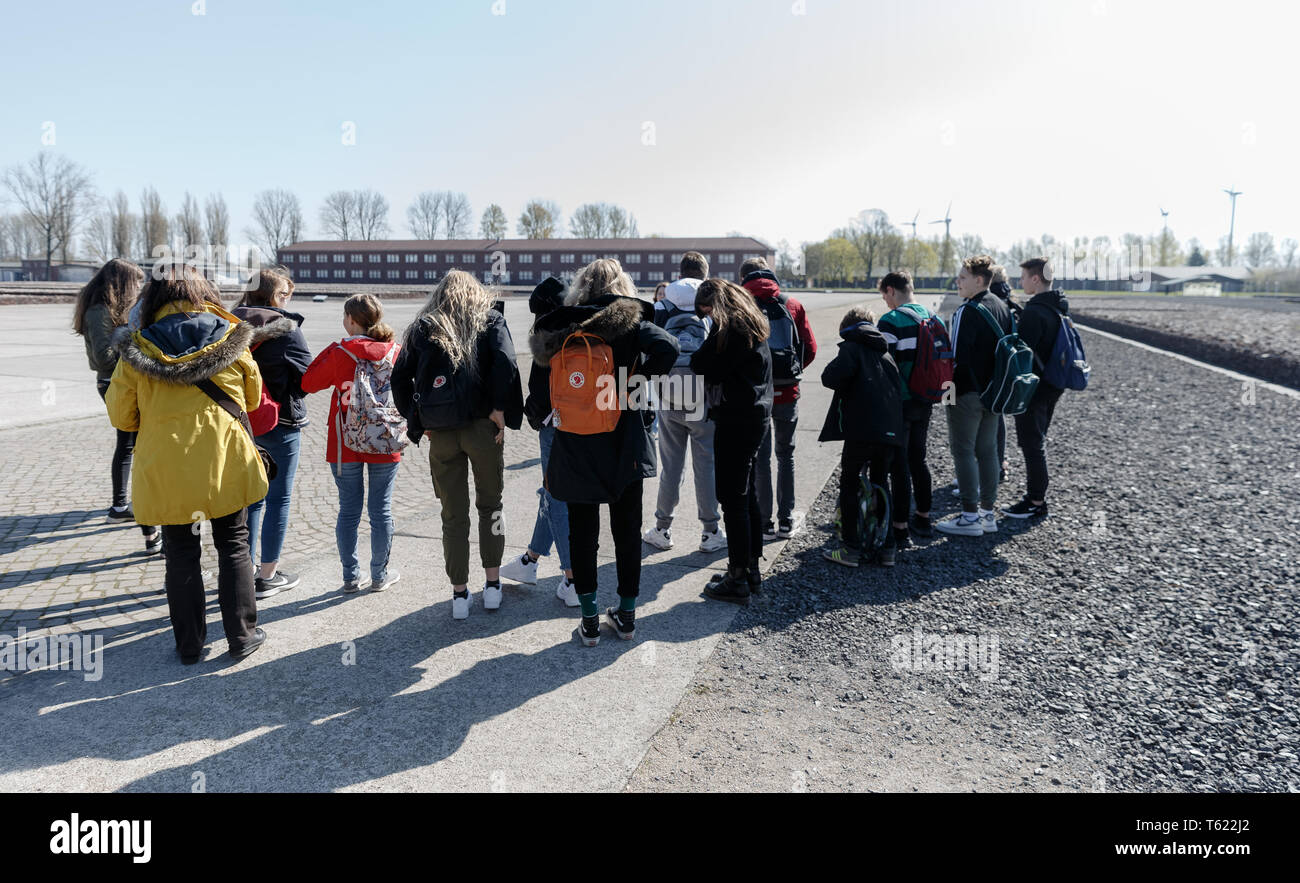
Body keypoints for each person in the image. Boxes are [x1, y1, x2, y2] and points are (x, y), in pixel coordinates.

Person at [105, 262, 268, 663]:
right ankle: (242, 635)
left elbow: (122, 417)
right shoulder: (233, 337)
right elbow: (252, 398)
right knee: (233, 545)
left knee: (179, 552)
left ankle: (189, 645)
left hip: (166, 467)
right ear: (205, 293)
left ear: (154, 300)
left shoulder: (136, 348)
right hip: (224, 461)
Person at [530, 259, 678, 645]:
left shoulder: (563, 324)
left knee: (583, 531)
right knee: (627, 530)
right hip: (624, 441)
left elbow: (541, 391)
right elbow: (669, 346)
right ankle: (626, 617)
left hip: (576, 442)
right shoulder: (628, 321)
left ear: (581, 286)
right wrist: (634, 387)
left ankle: (590, 619)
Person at [392, 271, 524, 619]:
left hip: (443, 433)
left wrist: (419, 420)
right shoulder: (490, 318)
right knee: (491, 506)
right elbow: (507, 362)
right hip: (483, 428)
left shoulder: (423, 327)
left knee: (452, 515)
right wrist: (498, 407)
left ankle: (459, 595)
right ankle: (492, 586)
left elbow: (399, 377)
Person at [302, 294, 406, 595]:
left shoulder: (341, 351)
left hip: (344, 441)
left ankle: (350, 576)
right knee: (381, 512)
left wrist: (332, 350)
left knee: (348, 511)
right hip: (385, 439)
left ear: (351, 320)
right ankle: (379, 575)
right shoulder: (395, 352)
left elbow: (308, 383)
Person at [690, 279, 773, 604]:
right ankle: (750, 568)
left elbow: (702, 364)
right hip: (756, 416)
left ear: (718, 305)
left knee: (732, 497)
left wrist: (712, 336)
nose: (708, 319)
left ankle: (737, 577)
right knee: (746, 494)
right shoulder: (753, 323)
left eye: (708, 312)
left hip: (737, 420)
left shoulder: (732, 332)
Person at [232, 266, 312, 599]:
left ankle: (242, 571)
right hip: (280, 422)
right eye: (284, 294)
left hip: (239, 423)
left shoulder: (228, 324)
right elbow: (307, 379)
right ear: (273, 296)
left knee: (249, 499)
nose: (287, 301)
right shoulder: (287, 329)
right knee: (277, 498)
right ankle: (268, 576)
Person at [71, 258, 160, 554]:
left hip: (120, 381)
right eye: (134, 283)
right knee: (130, 443)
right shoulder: (99, 311)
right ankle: (124, 505)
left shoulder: (110, 309)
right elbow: (103, 357)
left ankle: (120, 504)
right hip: (113, 382)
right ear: (119, 284)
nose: (137, 288)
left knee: (127, 442)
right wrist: (136, 350)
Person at [501, 277, 578, 605]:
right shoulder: (582, 328)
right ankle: (530, 560)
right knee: (552, 492)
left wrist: (532, 415)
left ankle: (573, 578)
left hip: (554, 425)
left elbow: (540, 388)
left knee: (556, 496)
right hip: (583, 424)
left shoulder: (547, 336)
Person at [642, 256, 725, 554]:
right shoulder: (714, 299)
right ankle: (710, 531)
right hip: (702, 394)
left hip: (668, 391)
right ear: (705, 274)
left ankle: (662, 528)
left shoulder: (665, 302)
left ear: (679, 273)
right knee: (706, 464)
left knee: (671, 465)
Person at [819, 305, 904, 566]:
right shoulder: (886, 354)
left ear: (848, 327)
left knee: (850, 482)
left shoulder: (851, 348)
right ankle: (887, 548)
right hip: (890, 431)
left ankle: (851, 548)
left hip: (861, 430)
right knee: (882, 482)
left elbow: (829, 378)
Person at [740, 257, 817, 540]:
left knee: (761, 458)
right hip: (787, 392)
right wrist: (793, 372)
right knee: (786, 455)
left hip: (756, 393)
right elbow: (810, 348)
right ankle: (786, 521)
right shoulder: (792, 304)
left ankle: (763, 523)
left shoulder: (742, 305)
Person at [936, 255, 1012, 537]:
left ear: (979, 280)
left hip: (966, 391)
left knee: (963, 450)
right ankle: (987, 515)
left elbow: (955, 359)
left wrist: (945, 393)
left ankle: (969, 516)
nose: (958, 282)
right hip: (995, 392)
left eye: (963, 278)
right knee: (988, 451)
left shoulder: (968, 310)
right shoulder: (1002, 306)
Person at [876, 270, 940, 544]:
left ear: (891, 290)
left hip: (899, 401)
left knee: (899, 465)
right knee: (919, 459)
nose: (885, 302)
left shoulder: (890, 321)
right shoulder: (932, 318)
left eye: (884, 296)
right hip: (925, 398)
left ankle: (900, 526)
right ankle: (924, 517)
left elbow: (882, 365)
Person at [1002, 257, 1068, 519]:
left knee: (1032, 444)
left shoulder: (1035, 312)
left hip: (1035, 388)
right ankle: (1036, 498)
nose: (1021, 282)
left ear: (1036, 279)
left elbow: (1021, 353)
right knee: (1037, 441)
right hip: (1055, 383)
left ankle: (1036, 501)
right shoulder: (1059, 307)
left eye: (1024, 277)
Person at [989, 264, 1022, 484]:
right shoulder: (1013, 304)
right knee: (999, 420)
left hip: (991, 372)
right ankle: (1000, 464)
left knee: (986, 424)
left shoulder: (989, 303)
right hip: (1011, 371)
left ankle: (988, 470)